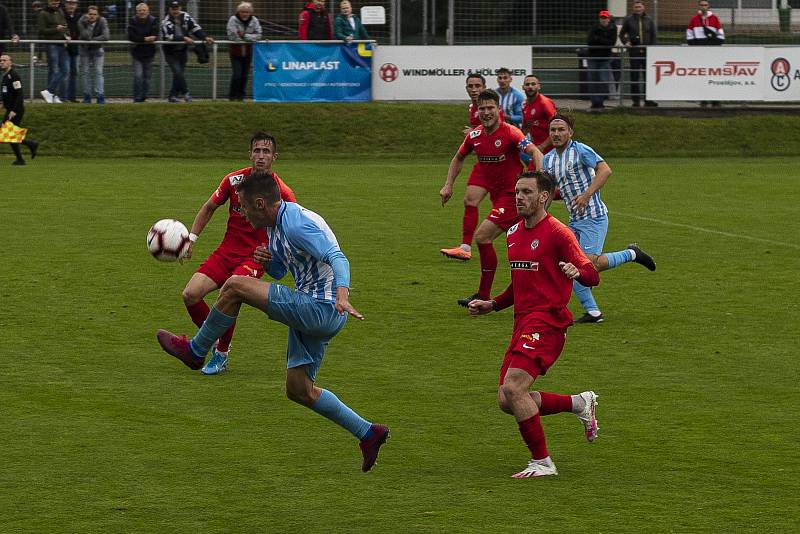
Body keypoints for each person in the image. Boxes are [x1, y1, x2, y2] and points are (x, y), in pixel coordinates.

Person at [156, 170, 391, 473]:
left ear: (260, 203)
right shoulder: (273, 227)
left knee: (234, 286)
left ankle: (196, 351)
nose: (240, 213)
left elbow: (337, 257)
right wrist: (272, 262)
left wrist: (342, 294)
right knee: (299, 390)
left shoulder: (296, 222)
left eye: (243, 207)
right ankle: (368, 432)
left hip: (322, 307)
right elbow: (284, 271)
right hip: (316, 310)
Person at [467, 170, 600, 478]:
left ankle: (542, 462)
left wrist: (577, 273)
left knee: (514, 388)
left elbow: (592, 274)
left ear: (543, 197)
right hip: (522, 323)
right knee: (507, 399)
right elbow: (519, 284)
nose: (519, 197)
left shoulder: (559, 233)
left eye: (526, 192)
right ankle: (579, 402)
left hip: (548, 321)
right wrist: (493, 305)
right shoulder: (513, 233)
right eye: (517, 191)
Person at [179, 132, 296, 376]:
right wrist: (191, 238)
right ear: (250, 154)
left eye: (266, 152)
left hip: (254, 256)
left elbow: (294, 226)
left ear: (274, 157)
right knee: (190, 294)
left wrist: (279, 255)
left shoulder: (282, 191)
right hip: (226, 251)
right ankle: (210, 337)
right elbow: (209, 207)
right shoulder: (233, 181)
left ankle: (221, 353)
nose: (260, 156)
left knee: (228, 294)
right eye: (256, 151)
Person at [543, 113, 656, 324]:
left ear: (570, 132)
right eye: (553, 130)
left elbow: (605, 170)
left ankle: (632, 254)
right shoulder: (548, 160)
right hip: (574, 220)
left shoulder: (580, 150)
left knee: (589, 265)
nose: (556, 134)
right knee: (569, 266)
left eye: (561, 130)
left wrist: (587, 194)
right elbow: (547, 191)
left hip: (594, 217)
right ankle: (593, 313)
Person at [440, 89, 544, 308]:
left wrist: (539, 180)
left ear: (499, 110)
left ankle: (484, 295)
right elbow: (458, 157)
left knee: (483, 236)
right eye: (482, 108)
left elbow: (536, 152)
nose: (486, 112)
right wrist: (448, 184)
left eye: (490, 108)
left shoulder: (511, 133)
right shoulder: (475, 136)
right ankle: (538, 290)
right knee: (527, 246)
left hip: (514, 197)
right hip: (498, 198)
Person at [439, 74, 504, 262]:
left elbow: (504, 131)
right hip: (484, 165)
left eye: (478, 85)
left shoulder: (493, 108)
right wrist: (448, 184)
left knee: (513, 213)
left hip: (502, 167)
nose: (474, 89)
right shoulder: (472, 108)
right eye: (470, 86)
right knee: (470, 200)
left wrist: (475, 131)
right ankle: (465, 248)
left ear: (484, 86)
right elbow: (461, 154)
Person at [161, 0, 213, 103]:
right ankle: (186, 93)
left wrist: (205, 37)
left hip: (182, 51)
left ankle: (172, 96)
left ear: (180, 8)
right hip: (170, 52)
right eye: (173, 9)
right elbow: (169, 36)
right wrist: (184, 38)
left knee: (178, 75)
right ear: (169, 9)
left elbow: (195, 28)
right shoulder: (165, 21)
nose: (175, 11)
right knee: (178, 72)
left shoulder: (185, 16)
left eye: (177, 8)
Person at [1, 53, 40, 165]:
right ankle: (22, 156)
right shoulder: (5, 76)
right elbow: (7, 93)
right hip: (10, 109)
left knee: (7, 134)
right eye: (1, 60)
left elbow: (19, 94)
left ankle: (30, 147)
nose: (2, 62)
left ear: (10, 62)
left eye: (4, 60)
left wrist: (14, 110)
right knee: (9, 134)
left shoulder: (14, 76)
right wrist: (3, 104)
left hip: (16, 110)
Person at [687, 0, 724, 108]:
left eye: (705, 5)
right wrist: (697, 46)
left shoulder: (715, 19)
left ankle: (715, 100)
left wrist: (712, 44)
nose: (703, 7)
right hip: (699, 54)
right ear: (699, 6)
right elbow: (689, 36)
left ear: (708, 6)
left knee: (714, 76)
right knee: (702, 76)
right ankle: (703, 99)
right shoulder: (694, 20)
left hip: (712, 53)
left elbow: (721, 36)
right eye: (702, 5)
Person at [620, 0, 657, 108]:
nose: (638, 9)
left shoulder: (649, 20)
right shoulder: (628, 20)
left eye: (639, 7)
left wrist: (652, 50)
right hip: (634, 53)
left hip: (647, 54)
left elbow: (654, 36)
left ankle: (648, 100)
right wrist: (626, 42)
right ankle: (635, 101)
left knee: (647, 77)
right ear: (633, 8)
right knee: (634, 77)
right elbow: (622, 34)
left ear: (643, 7)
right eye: (636, 7)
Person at [226, 2, 262, 101]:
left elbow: (258, 35)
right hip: (235, 52)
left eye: (247, 12)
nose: (245, 14)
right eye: (242, 12)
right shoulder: (233, 19)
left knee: (245, 75)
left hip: (248, 52)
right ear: (239, 12)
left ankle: (241, 96)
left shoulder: (254, 20)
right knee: (237, 75)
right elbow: (232, 36)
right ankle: (232, 96)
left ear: (250, 12)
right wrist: (250, 37)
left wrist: (244, 36)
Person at [38, 0, 70, 103]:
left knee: (65, 70)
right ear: (48, 2)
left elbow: (65, 25)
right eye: (53, 4)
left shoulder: (60, 11)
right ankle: (52, 95)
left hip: (62, 44)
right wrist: (56, 29)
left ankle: (49, 92)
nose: (56, 5)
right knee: (53, 70)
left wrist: (67, 36)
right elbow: (42, 30)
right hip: (51, 44)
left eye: (57, 3)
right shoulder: (43, 13)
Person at [127, 2, 159, 103]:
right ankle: (137, 98)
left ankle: (143, 97)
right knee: (138, 76)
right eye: (140, 10)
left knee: (147, 78)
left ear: (148, 11)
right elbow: (132, 36)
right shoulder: (132, 20)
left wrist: (141, 38)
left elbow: (155, 35)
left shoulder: (154, 20)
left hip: (149, 53)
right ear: (137, 12)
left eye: (144, 10)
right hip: (136, 53)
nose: (142, 12)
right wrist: (145, 39)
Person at [586, 9, 617, 110]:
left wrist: (598, 39)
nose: (603, 20)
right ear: (599, 18)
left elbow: (611, 43)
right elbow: (589, 41)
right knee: (592, 81)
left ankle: (600, 101)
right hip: (593, 58)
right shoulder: (594, 27)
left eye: (605, 18)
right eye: (602, 18)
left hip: (605, 58)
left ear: (609, 19)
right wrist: (603, 41)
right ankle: (595, 103)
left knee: (604, 81)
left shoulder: (613, 28)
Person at [77, 5, 109, 104]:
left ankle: (100, 97)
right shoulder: (81, 21)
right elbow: (85, 35)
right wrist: (86, 24)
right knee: (85, 73)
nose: (92, 16)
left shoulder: (102, 20)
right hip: (84, 50)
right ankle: (87, 97)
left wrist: (92, 40)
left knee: (98, 72)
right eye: (90, 14)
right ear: (87, 14)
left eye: (94, 14)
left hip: (97, 50)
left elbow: (106, 36)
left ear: (98, 15)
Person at [521, 74, 557, 155]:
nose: (530, 87)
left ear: (539, 87)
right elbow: (525, 128)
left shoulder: (545, 103)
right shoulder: (524, 104)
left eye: (533, 84)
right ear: (523, 87)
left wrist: (542, 146)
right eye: (527, 84)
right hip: (537, 147)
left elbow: (558, 127)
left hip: (552, 149)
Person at [61, 0, 80, 103]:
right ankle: (63, 98)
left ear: (76, 5)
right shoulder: (61, 15)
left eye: (73, 3)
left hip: (75, 49)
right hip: (64, 49)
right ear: (65, 4)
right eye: (69, 3)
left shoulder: (79, 17)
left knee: (74, 73)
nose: (71, 5)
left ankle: (72, 97)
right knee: (66, 72)